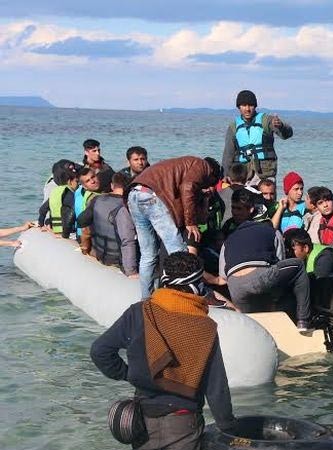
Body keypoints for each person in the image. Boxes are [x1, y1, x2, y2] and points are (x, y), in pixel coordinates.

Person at [90, 251, 236, 450]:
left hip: (142, 416)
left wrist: (128, 374)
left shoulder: (140, 312)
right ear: (195, 286)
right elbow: (216, 388)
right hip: (183, 421)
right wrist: (228, 427)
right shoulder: (205, 327)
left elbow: (100, 351)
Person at [219, 189, 314, 332]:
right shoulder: (271, 232)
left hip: (235, 288)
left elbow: (223, 276)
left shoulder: (228, 239)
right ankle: (303, 322)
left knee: (252, 320)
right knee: (299, 266)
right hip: (261, 279)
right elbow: (279, 262)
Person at [129, 156, 222, 298]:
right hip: (150, 197)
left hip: (134, 194)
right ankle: (197, 294)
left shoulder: (183, 165)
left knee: (148, 255)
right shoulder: (203, 166)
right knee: (179, 252)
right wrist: (190, 223)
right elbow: (187, 187)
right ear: (211, 174)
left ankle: (145, 299)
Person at [221, 90, 292, 181]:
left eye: (250, 105)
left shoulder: (267, 120)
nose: (247, 109)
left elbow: (287, 134)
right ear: (239, 107)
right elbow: (228, 154)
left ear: (255, 106)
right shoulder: (234, 127)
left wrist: (281, 126)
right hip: (244, 175)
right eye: (243, 105)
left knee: (267, 195)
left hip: (266, 172)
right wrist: (225, 175)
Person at [76, 172, 138, 276]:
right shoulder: (129, 205)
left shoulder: (97, 200)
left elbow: (81, 221)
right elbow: (128, 241)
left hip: (99, 254)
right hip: (119, 260)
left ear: (112, 185)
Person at [38, 159, 79, 238]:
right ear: (70, 182)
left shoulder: (55, 192)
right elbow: (72, 214)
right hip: (69, 232)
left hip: (56, 229)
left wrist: (41, 224)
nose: (78, 184)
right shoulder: (69, 194)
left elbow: (42, 210)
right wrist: (65, 234)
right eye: (76, 181)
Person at [73, 166, 102, 239]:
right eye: (88, 181)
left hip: (80, 234)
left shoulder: (82, 194)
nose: (92, 181)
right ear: (84, 186)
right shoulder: (93, 198)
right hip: (89, 237)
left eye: (93, 177)